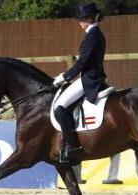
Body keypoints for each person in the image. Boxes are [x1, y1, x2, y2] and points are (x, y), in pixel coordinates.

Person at [53, 2, 108, 163]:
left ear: (90, 19)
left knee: (59, 107)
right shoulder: (96, 34)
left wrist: (65, 77)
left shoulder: (92, 36)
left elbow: (82, 62)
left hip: (89, 80)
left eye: (82, 19)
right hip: (91, 76)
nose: (79, 22)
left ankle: (71, 147)